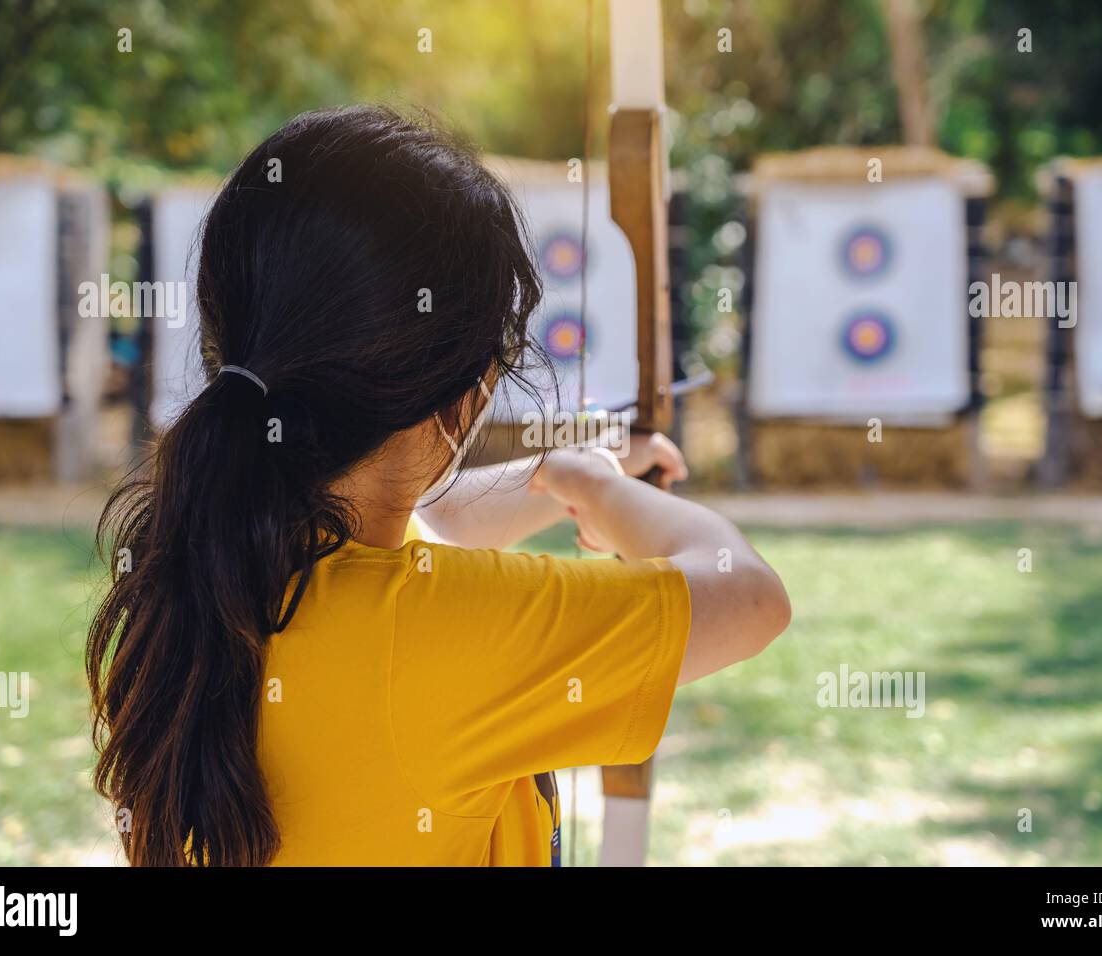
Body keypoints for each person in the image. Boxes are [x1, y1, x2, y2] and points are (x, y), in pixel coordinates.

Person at [87, 105, 790, 866]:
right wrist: (608, 492)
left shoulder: (212, 550)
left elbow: (416, 531)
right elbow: (751, 597)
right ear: (470, 392)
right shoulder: (448, 632)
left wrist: (555, 474)